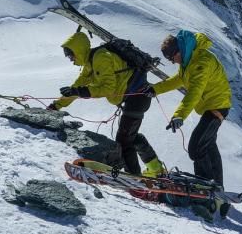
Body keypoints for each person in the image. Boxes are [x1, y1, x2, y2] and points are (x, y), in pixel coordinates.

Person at [48, 31, 166, 177]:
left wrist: (80, 92)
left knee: (123, 142)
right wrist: (56, 106)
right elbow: (77, 86)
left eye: (70, 54)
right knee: (131, 137)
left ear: (79, 50)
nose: (70, 59)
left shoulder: (101, 57)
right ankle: (156, 169)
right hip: (136, 98)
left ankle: (135, 179)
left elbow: (107, 89)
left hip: (137, 98)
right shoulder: (90, 63)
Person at [144, 30, 232, 214]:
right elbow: (178, 80)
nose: (172, 61)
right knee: (207, 146)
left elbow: (194, 92)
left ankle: (206, 191)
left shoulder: (201, 61)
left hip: (216, 106)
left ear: (179, 50)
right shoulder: (188, 60)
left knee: (196, 148)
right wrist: (155, 89)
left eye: (171, 57)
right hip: (212, 106)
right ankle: (216, 190)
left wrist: (179, 116)